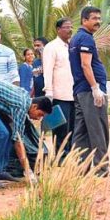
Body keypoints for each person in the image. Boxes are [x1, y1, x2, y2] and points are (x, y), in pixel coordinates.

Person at [0, 80, 53, 188]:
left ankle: (0, 171)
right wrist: (28, 172)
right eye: (40, 114)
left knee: (8, 133)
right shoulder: (21, 106)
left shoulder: (26, 99)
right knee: (1, 134)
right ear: (35, 106)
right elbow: (18, 141)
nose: (38, 118)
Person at [69, 6, 110, 176]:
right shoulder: (86, 39)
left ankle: (81, 169)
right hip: (89, 91)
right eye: (94, 18)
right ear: (84, 20)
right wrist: (95, 88)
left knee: (81, 132)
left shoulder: (74, 39)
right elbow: (85, 64)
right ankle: (101, 169)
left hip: (80, 90)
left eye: (99, 18)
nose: (98, 22)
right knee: (99, 130)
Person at [43, 19, 75, 154]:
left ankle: (70, 155)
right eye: (66, 27)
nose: (69, 30)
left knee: (72, 128)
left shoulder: (72, 47)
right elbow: (48, 70)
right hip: (58, 95)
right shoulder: (51, 47)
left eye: (71, 27)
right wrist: (49, 91)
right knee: (60, 128)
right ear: (58, 29)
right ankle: (60, 156)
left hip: (73, 94)